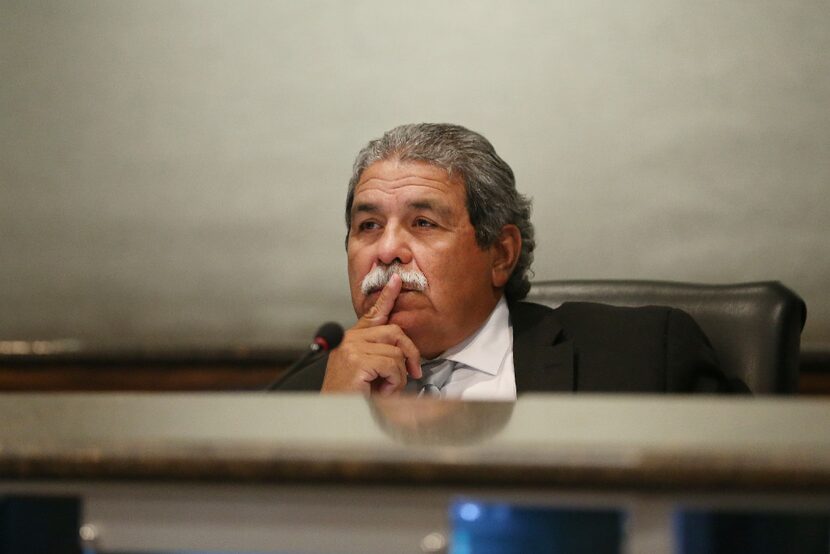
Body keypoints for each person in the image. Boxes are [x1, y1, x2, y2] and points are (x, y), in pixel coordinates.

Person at [277, 123, 747, 398]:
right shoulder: (307, 397)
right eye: (368, 226)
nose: (385, 250)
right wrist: (333, 423)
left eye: (422, 223)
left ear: (501, 254)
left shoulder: (642, 357)